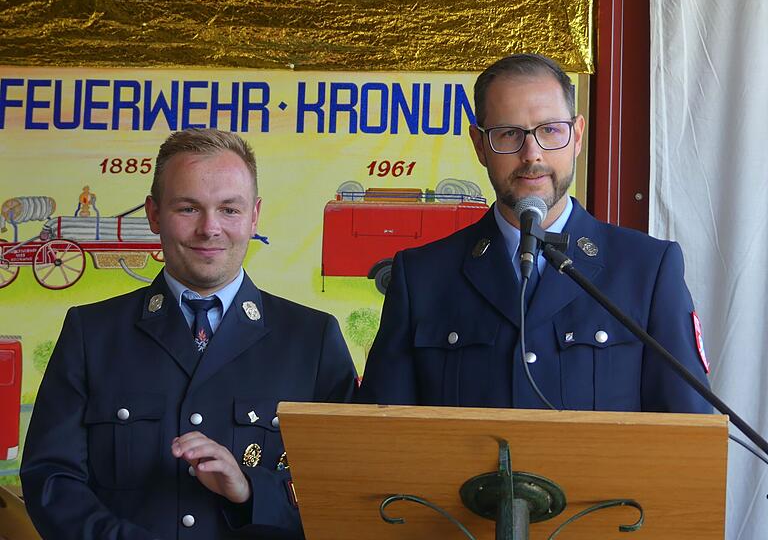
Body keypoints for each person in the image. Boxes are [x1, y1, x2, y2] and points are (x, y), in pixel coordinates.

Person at [21, 128, 357, 540]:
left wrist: (251, 490)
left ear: (254, 216)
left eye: (229, 210)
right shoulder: (91, 333)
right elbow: (51, 480)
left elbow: (343, 493)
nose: (209, 228)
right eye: (188, 208)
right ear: (154, 214)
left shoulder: (313, 339)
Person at [357, 54, 711, 413]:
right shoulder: (422, 277)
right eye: (509, 133)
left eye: (550, 130)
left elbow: (687, 434)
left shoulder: (646, 270)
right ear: (480, 146)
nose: (532, 154)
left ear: (577, 136)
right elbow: (380, 441)